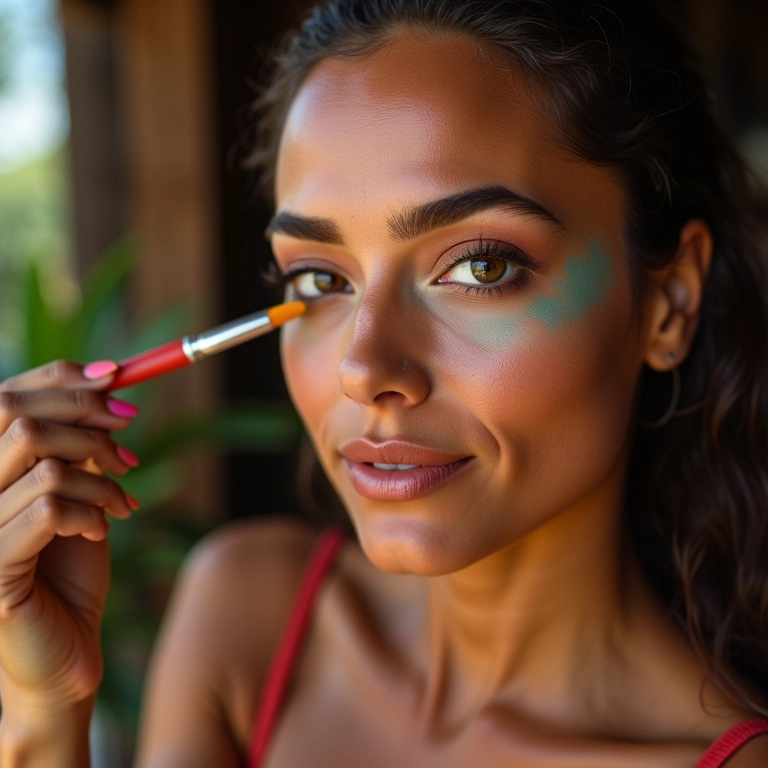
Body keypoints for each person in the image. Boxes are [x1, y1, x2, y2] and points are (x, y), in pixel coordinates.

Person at [1, 0, 768, 765]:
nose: (363, 369)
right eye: (321, 278)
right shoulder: (247, 624)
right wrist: (45, 713)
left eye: (482, 266)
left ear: (669, 303)